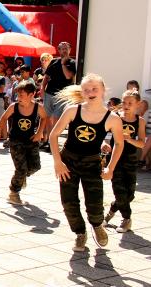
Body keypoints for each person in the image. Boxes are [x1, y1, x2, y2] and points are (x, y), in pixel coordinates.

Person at [49, 74, 124, 251]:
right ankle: (80, 233)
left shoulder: (112, 118)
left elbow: (119, 143)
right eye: (87, 89)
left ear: (103, 91)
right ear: (82, 92)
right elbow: (53, 135)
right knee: (69, 202)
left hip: (92, 164)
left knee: (95, 203)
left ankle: (97, 226)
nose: (90, 92)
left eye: (94, 89)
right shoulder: (73, 111)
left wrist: (111, 168)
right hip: (69, 162)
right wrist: (57, 162)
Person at [0, 81, 48, 205]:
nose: (19, 98)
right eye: (18, 95)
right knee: (21, 169)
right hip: (16, 140)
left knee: (35, 166)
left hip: (31, 140)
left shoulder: (38, 107)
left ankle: (21, 177)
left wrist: (40, 132)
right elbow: (3, 118)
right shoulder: (14, 106)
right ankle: (14, 192)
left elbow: (45, 117)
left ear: (32, 95)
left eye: (22, 95)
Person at [102, 90, 145, 233]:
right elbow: (102, 134)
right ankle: (127, 219)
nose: (126, 106)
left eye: (130, 103)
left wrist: (129, 139)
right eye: (124, 102)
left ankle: (111, 212)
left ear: (137, 104)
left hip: (131, 160)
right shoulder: (115, 118)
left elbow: (142, 143)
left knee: (130, 194)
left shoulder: (140, 121)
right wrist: (104, 143)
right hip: (115, 159)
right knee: (119, 190)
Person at [41, 42, 77, 150]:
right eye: (62, 48)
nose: (64, 50)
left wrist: (63, 64)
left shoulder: (72, 62)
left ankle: (54, 142)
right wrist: (42, 89)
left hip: (63, 95)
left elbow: (68, 76)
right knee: (47, 117)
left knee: (57, 118)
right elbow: (46, 77)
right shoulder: (53, 61)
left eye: (66, 48)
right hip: (49, 93)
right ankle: (47, 140)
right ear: (59, 50)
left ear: (70, 50)